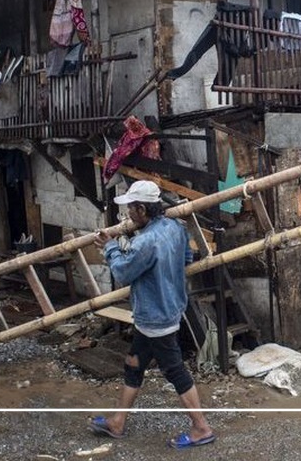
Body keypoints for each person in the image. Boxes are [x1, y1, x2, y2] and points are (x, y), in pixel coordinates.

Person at [88, 180, 215, 449]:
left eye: (131, 209)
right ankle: (118, 422)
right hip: (165, 310)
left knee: (176, 371)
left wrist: (110, 247)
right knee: (134, 362)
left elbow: (122, 272)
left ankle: (202, 428)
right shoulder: (175, 228)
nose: (128, 215)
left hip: (156, 317)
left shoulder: (145, 241)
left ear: (142, 210)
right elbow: (186, 261)